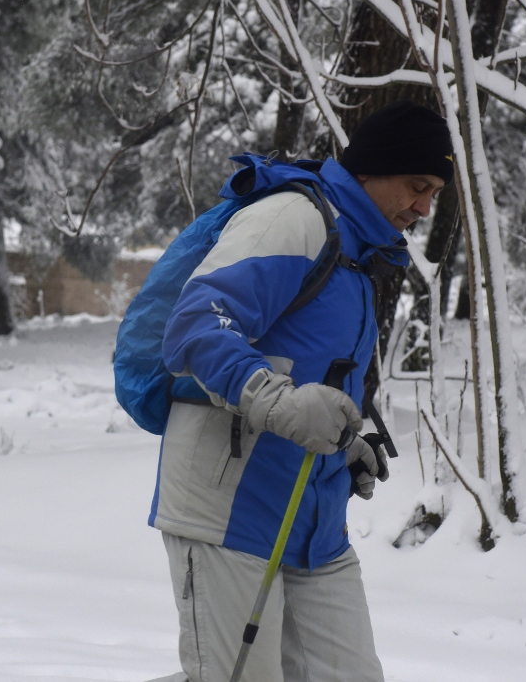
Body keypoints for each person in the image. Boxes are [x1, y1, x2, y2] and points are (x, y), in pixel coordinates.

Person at [151, 101, 453, 682]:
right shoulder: (295, 219)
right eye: (418, 186)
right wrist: (284, 404)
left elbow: (310, 375)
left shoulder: (361, 256)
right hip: (228, 512)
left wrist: (342, 445)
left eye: (434, 193)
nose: (424, 207)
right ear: (373, 169)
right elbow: (196, 324)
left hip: (312, 523)